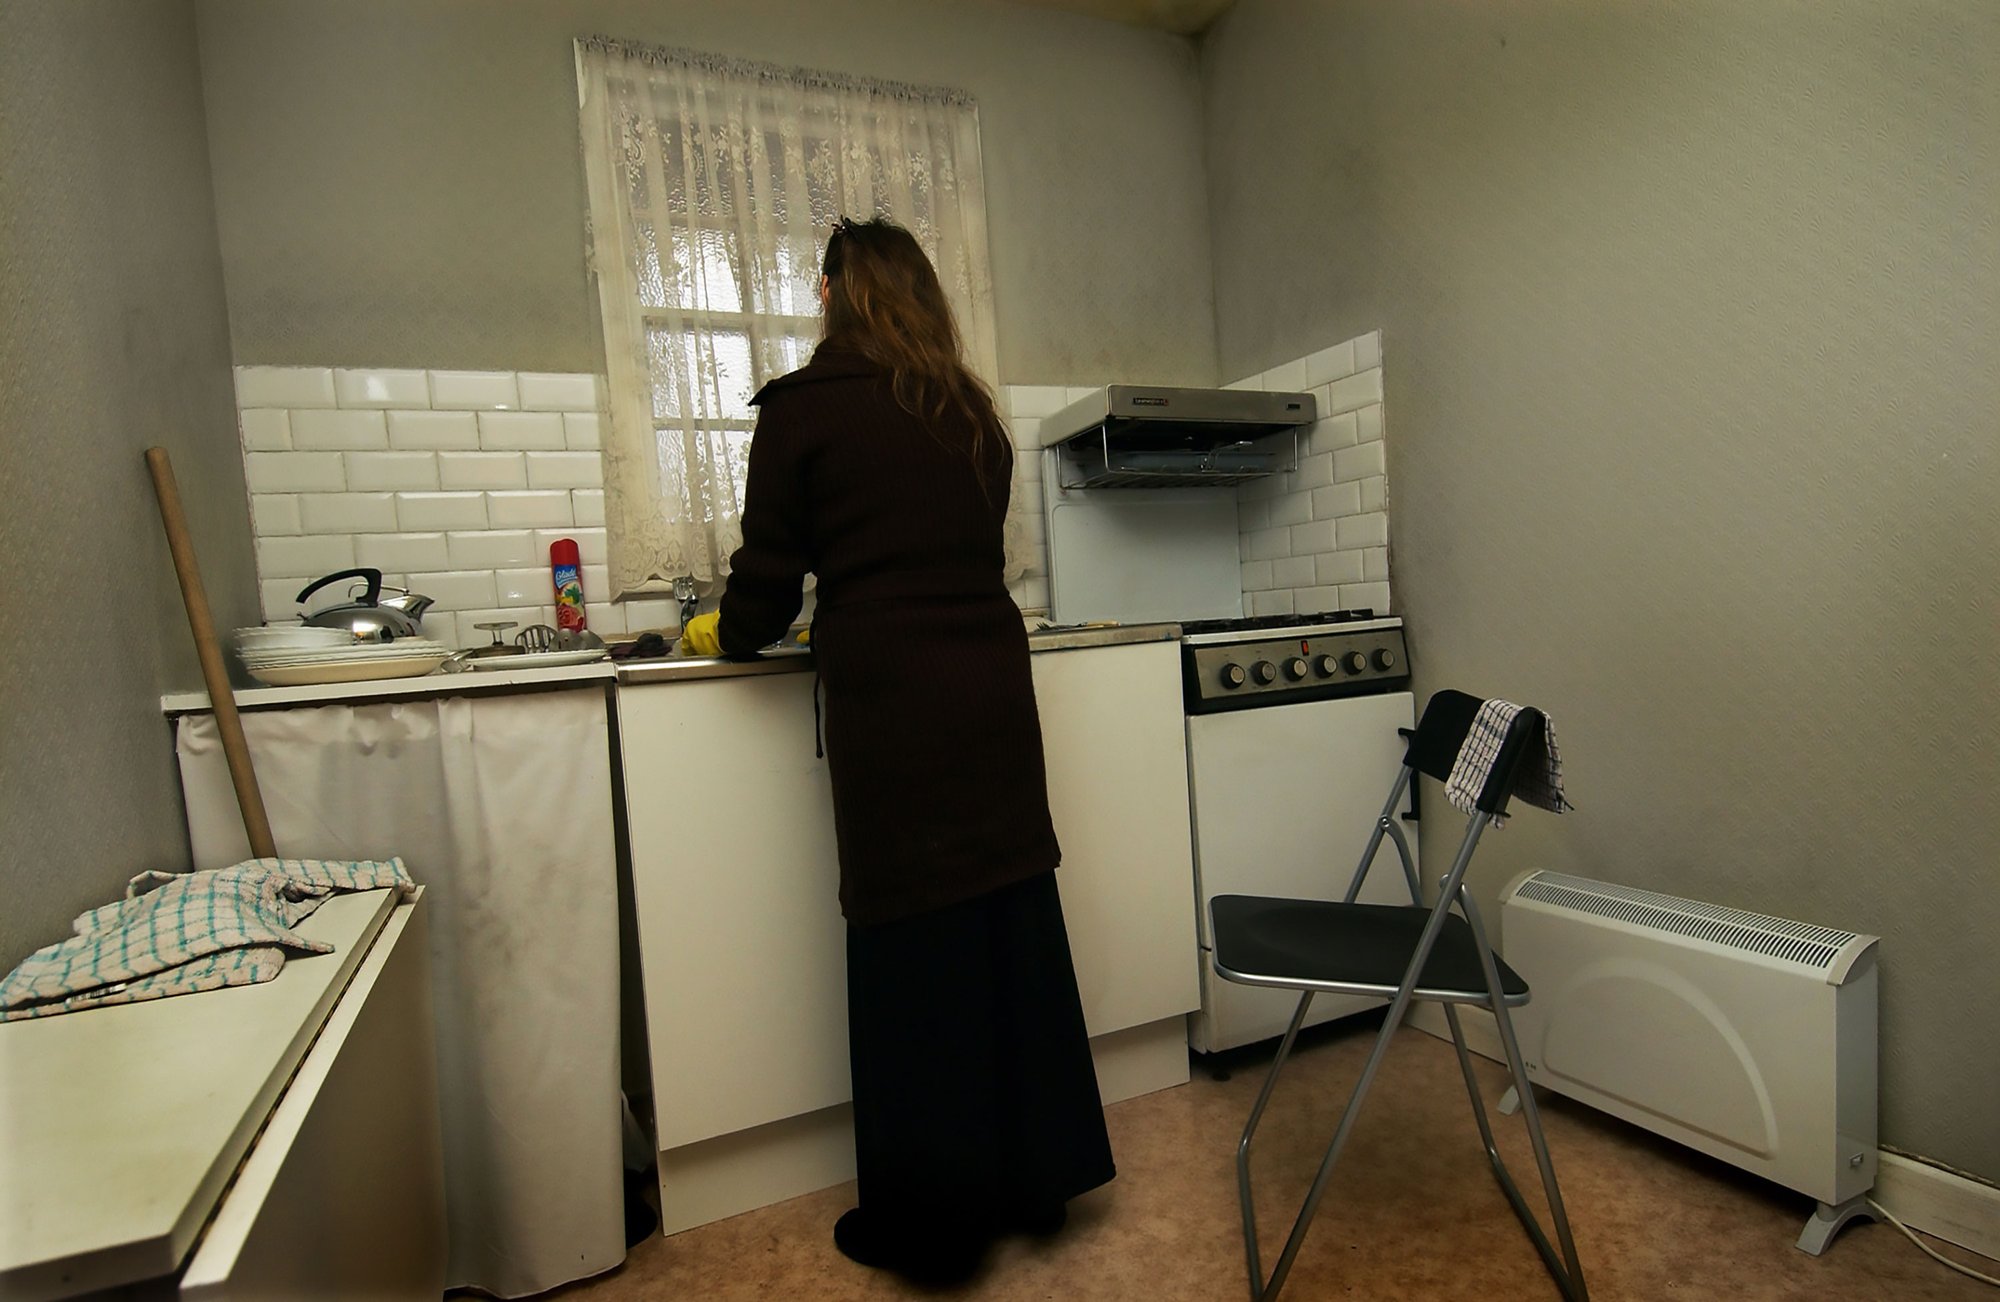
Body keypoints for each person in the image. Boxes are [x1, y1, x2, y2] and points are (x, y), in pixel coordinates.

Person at [679, 217, 1115, 1281]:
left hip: (894, 701)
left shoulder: (802, 410)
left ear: (830, 296)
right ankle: (1037, 1184)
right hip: (990, 686)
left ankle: (935, 1232)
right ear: (920, 296)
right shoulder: (969, 409)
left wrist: (716, 634)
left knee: (911, 944)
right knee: (1009, 916)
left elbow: (768, 579)